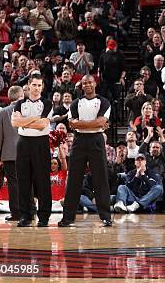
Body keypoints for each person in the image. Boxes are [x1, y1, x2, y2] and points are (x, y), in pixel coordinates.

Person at [58, 75, 113, 227]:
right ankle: (68, 217)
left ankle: (106, 216)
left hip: (96, 140)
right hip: (79, 141)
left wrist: (83, 124)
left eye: (90, 82)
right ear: (81, 86)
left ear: (95, 84)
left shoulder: (104, 101)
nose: (87, 85)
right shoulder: (75, 103)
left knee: (100, 179)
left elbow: (102, 121)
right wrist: (94, 124)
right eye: (84, 83)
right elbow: (72, 125)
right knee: (73, 179)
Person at [11, 73, 53, 227]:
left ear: (42, 87)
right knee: (23, 181)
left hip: (41, 143)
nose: (36, 88)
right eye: (34, 85)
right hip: (23, 143)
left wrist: (25, 122)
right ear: (29, 85)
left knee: (42, 181)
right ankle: (25, 216)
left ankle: (43, 217)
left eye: (39, 85)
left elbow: (42, 125)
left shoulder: (47, 103)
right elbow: (15, 123)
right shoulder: (19, 103)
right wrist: (34, 119)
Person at [0, 86, 24, 222]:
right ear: (21, 96)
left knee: (13, 183)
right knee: (27, 182)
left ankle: (16, 213)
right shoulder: (27, 110)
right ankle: (30, 211)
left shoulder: (2, 113)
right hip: (26, 151)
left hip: (9, 153)